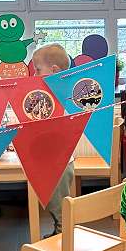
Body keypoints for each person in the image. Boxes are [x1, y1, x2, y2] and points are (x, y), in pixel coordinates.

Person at [31, 43, 76, 237]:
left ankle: (64, 240)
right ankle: (59, 233)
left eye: (38, 70)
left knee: (60, 207)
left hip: (60, 163)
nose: (34, 75)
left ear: (54, 71)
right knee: (52, 202)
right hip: (52, 160)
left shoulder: (60, 92)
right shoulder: (47, 93)